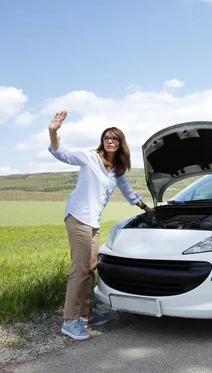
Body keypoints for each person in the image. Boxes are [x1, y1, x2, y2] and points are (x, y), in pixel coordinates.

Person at [48, 110, 154, 340]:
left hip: (93, 222)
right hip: (78, 217)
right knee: (79, 270)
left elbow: (129, 194)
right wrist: (53, 131)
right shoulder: (90, 157)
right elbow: (61, 152)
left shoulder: (117, 171)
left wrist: (148, 210)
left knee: (90, 267)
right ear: (102, 141)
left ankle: (86, 314)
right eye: (106, 137)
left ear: (120, 143)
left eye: (114, 138)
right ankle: (70, 320)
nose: (110, 141)